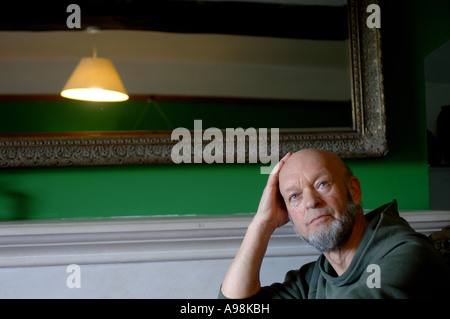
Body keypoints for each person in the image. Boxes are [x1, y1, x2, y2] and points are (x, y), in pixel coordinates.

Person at [219, 149, 450, 299]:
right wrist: (262, 224)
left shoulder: (406, 255)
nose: (311, 201)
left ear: (354, 191)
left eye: (322, 184)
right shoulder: (312, 281)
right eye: (294, 197)